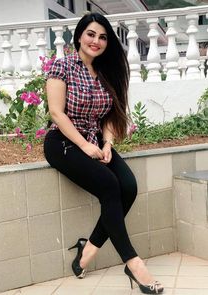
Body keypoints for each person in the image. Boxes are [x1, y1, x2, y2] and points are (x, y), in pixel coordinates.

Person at [44, 12, 164, 294]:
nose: (96, 41)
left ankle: (87, 251)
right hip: (62, 141)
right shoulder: (62, 67)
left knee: (129, 187)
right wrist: (85, 145)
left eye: (102, 37)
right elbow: (56, 113)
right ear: (79, 36)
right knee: (110, 186)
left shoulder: (106, 72)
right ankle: (134, 264)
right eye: (91, 34)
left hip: (96, 140)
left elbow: (110, 116)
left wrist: (107, 143)